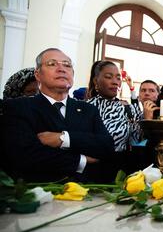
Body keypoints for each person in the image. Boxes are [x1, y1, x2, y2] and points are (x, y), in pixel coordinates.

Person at [1, 48, 115, 182]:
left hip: (88, 195)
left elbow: (106, 146)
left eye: (67, 65)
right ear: (38, 74)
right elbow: (25, 156)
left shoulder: (88, 110)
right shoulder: (18, 107)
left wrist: (63, 139)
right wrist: (81, 160)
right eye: (52, 64)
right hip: (40, 194)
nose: (62, 69)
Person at [86, 60, 143, 174]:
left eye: (118, 78)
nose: (115, 82)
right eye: (108, 77)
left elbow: (137, 142)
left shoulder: (128, 109)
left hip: (121, 171)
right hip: (92, 170)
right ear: (96, 81)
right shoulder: (86, 108)